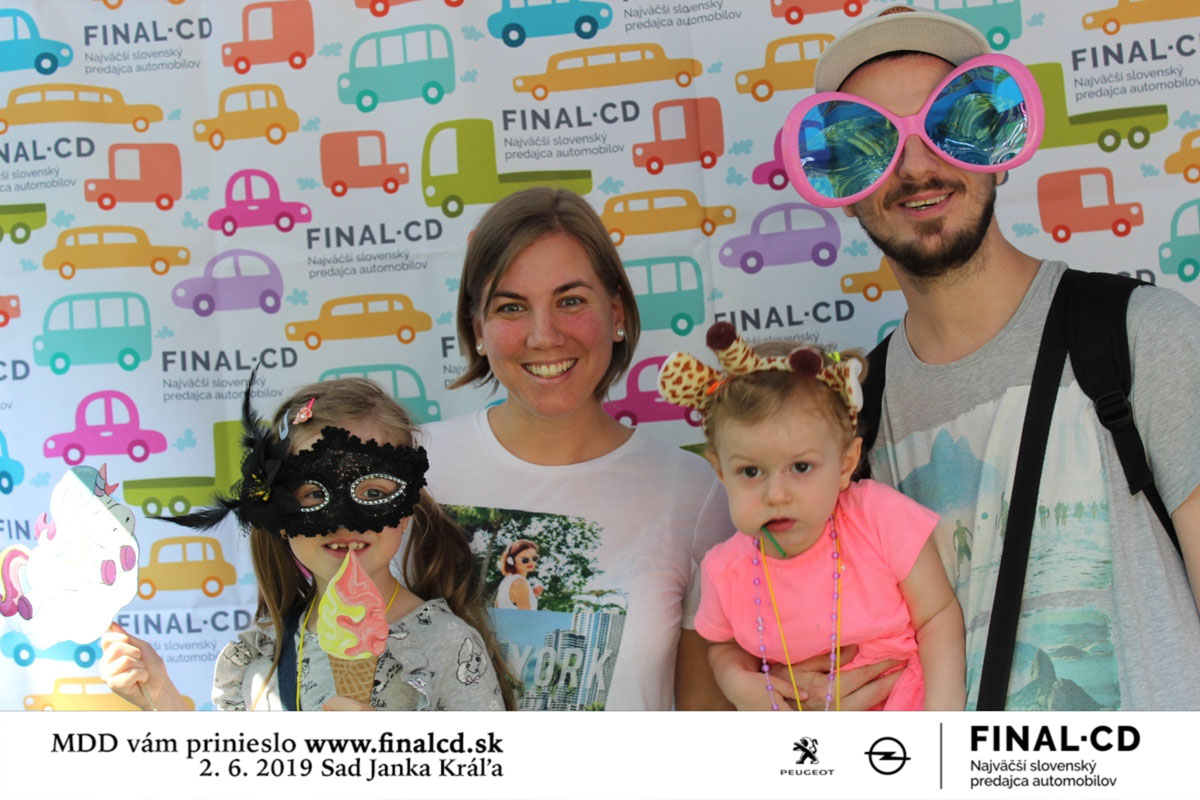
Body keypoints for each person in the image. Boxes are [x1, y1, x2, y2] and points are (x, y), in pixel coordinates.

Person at [774, 6, 1200, 710]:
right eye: (869, 142)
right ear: (842, 188)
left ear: (999, 146)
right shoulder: (847, 419)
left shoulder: (1142, 335)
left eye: (953, 123)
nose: (916, 167)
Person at [414, 186, 741, 711]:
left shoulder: (695, 492)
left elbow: (706, 725)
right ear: (478, 329)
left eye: (570, 301)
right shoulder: (411, 471)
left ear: (616, 313)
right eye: (511, 307)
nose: (544, 336)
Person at [99, 378, 509, 711]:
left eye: (373, 493)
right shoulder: (261, 653)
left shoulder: (447, 647)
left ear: (404, 511)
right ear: (278, 513)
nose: (344, 522)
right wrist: (162, 699)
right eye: (313, 494)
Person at [659, 322, 965, 710]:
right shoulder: (724, 571)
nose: (776, 494)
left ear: (845, 464)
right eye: (750, 471)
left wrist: (942, 724)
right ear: (720, 471)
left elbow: (937, 616)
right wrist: (735, 679)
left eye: (801, 467)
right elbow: (724, 645)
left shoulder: (877, 518)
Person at [494, 539, 542, 610]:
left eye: (534, 558)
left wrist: (531, 595)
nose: (531, 562)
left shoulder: (507, 580)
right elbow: (526, 616)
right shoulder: (520, 583)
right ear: (511, 560)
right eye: (525, 560)